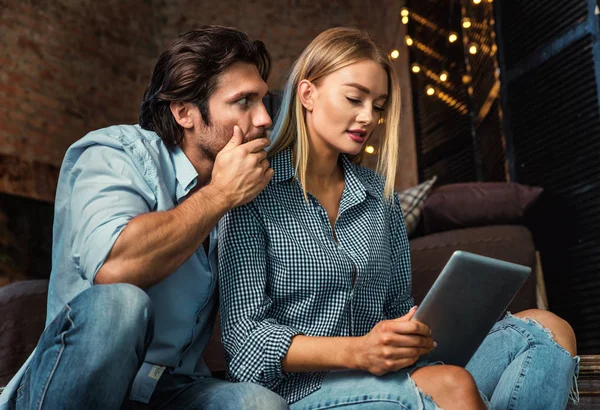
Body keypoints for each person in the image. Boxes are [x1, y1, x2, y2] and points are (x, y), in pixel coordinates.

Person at [218, 27, 580, 409]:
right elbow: (245, 341)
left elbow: (395, 305)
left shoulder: (380, 196)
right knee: (452, 385)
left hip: (392, 373)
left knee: (550, 330)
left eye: (377, 105)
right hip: (301, 390)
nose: (367, 117)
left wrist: (413, 329)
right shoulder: (252, 191)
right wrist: (359, 351)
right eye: (354, 98)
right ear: (308, 94)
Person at [0, 25, 289, 410]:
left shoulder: (249, 188)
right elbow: (115, 267)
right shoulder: (115, 154)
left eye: (263, 101)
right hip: (76, 385)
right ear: (185, 112)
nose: (264, 118)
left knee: (259, 405)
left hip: (170, 389)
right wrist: (219, 195)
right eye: (243, 102)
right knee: (119, 304)